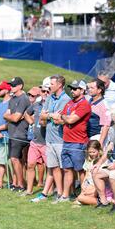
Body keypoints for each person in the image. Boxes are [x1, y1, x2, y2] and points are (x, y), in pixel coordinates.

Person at [32, 75, 71, 203]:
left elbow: (61, 120)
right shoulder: (49, 98)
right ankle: (59, 193)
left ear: (59, 85)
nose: (49, 86)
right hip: (49, 138)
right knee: (54, 167)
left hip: (60, 139)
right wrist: (52, 115)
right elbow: (42, 116)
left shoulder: (66, 99)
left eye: (52, 84)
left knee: (64, 168)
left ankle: (66, 194)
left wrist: (51, 116)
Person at [51, 80, 91, 203]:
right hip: (67, 141)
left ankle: (84, 195)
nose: (72, 91)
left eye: (75, 89)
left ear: (82, 90)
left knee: (80, 170)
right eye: (71, 89)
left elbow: (70, 120)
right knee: (67, 169)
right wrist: (64, 118)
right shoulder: (69, 103)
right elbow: (58, 120)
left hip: (78, 142)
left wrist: (63, 117)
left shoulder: (84, 104)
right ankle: (65, 196)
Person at [3, 77, 31, 193]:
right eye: (11, 85)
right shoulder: (12, 99)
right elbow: (8, 115)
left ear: (20, 86)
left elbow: (15, 118)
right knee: (15, 159)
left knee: (15, 159)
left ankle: (21, 185)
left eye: (14, 85)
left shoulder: (24, 99)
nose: (11, 87)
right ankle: (19, 183)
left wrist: (9, 116)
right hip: (12, 133)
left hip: (20, 134)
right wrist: (9, 116)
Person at [23, 86, 47, 196]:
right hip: (35, 141)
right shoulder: (36, 105)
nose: (45, 93)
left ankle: (51, 189)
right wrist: (32, 123)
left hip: (47, 143)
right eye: (43, 91)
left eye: (47, 91)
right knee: (30, 165)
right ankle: (29, 190)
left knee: (50, 167)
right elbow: (26, 113)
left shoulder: (52, 104)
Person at [73, 140, 112, 206]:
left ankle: (101, 202)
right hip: (89, 183)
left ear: (99, 150)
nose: (91, 154)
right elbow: (87, 173)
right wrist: (83, 184)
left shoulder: (103, 160)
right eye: (90, 152)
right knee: (81, 195)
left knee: (81, 197)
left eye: (93, 152)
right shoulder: (88, 160)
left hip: (97, 184)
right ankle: (85, 199)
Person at [0, 81, 13, 189]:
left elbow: (10, 121)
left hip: (8, 135)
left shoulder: (12, 103)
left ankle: (2, 183)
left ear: (7, 90)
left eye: (0, 89)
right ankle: (4, 182)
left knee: (6, 161)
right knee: (1, 160)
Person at [87, 79, 111, 146]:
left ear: (99, 90)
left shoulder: (104, 105)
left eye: (92, 88)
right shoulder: (90, 100)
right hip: (87, 137)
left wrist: (100, 143)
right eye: (89, 88)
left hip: (96, 138)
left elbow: (105, 126)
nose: (89, 90)